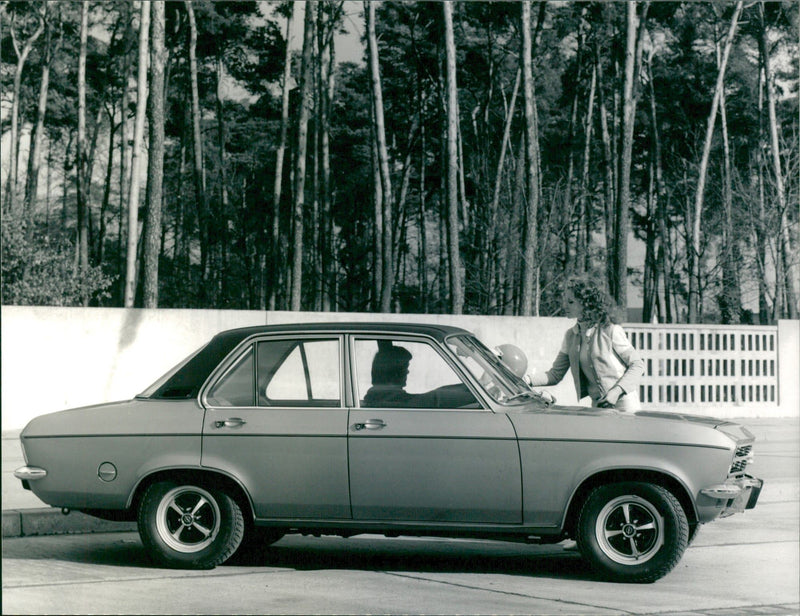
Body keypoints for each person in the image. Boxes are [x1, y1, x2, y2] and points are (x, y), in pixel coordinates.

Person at [528, 278, 644, 411]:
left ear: (586, 304)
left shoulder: (610, 330)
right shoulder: (570, 336)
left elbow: (638, 364)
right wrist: (526, 379)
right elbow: (555, 375)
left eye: (570, 302)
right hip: (598, 405)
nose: (564, 306)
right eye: (565, 301)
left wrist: (616, 391)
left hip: (624, 403)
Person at [362, 344, 429, 408]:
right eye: (405, 367)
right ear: (395, 372)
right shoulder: (396, 400)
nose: (407, 372)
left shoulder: (375, 396)